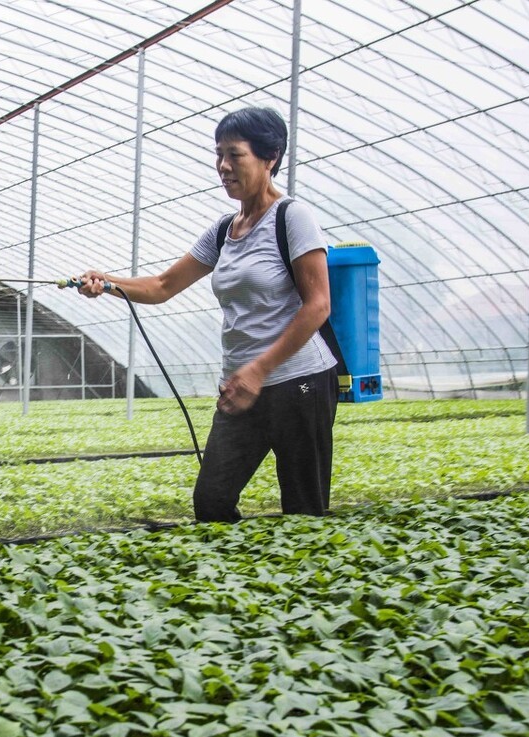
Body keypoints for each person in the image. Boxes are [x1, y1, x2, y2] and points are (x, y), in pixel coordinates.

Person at [78, 106, 337, 522]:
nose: (223, 166)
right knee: (212, 501)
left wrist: (259, 369)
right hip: (239, 388)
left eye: (235, 155)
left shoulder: (293, 217)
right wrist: (106, 282)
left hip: (298, 382)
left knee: (302, 511)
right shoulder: (223, 229)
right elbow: (163, 286)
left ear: (269, 157)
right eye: (219, 155)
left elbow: (318, 305)